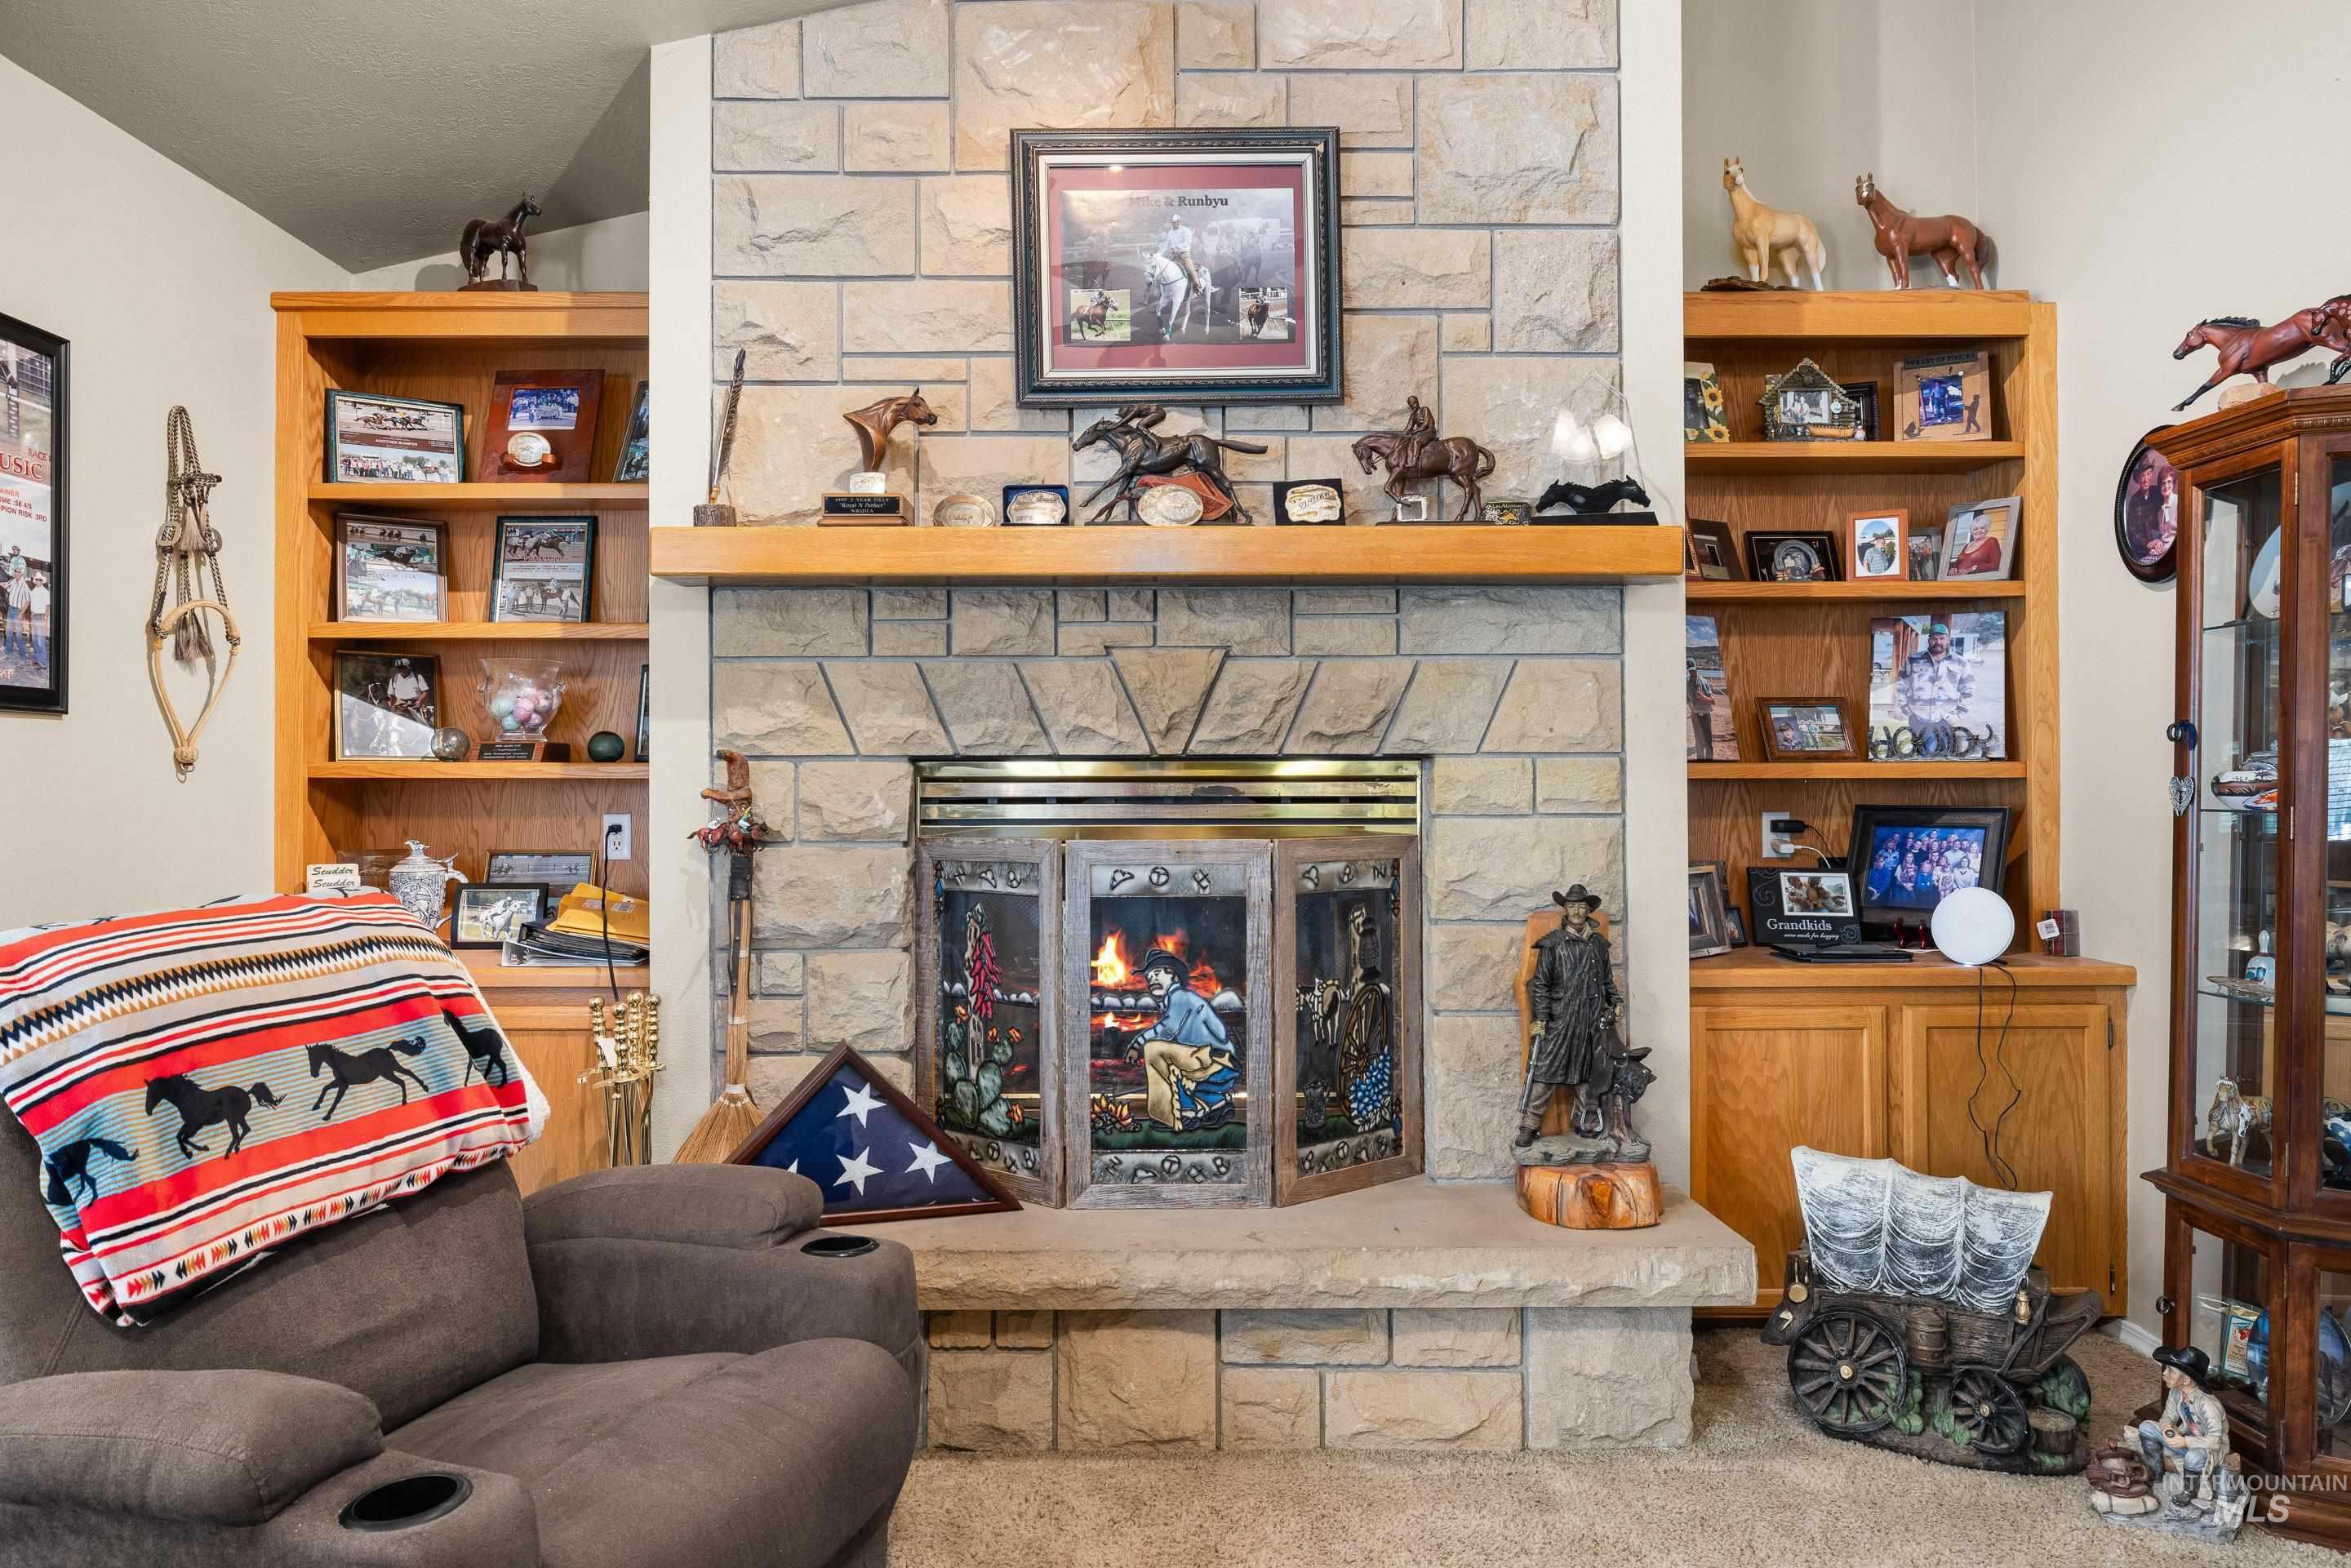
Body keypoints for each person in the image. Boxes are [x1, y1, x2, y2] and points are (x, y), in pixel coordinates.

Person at [1518, 885, 1622, 1147]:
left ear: (1588, 910)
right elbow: (1540, 984)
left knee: (1589, 1071)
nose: (1576, 911)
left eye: (1581, 906)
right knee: (1546, 1070)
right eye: (1572, 906)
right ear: (1566, 909)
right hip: (1560, 1018)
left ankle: (1586, 1119)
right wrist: (1541, 1018)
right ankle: (1530, 1123)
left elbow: (1607, 980)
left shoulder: (1598, 944)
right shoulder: (1553, 943)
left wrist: (1616, 1001)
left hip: (1591, 1018)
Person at [1124, 947, 1238, 1131]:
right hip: (1214, 1060)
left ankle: (1180, 1114)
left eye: (1157, 973)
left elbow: (1168, 1029)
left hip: (1216, 1061)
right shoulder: (1178, 1000)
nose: (1151, 979)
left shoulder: (1181, 997)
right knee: (1170, 1054)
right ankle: (1216, 1106)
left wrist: (1138, 1043)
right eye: (1149, 976)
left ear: (1174, 976)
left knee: (1155, 1050)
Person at [2136, 1344, 2236, 1516]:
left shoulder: (2208, 1405)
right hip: (2184, 1438)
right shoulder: (2176, 1393)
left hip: (2206, 1448)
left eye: (2171, 1371)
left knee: (2193, 1456)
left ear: (2186, 1379)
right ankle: (2155, 1472)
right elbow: (2167, 1417)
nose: (2164, 1373)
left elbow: (2214, 1441)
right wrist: (2168, 1431)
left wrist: (2185, 1442)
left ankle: (2189, 1492)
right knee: (2146, 1427)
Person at [1895, 621, 1977, 735]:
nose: (1938, 642)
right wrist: (1908, 712)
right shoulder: (1912, 661)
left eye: (1942, 638)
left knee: (1944, 752)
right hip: (1918, 720)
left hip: (1947, 721)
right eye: (1934, 638)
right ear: (1929, 640)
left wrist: (1958, 715)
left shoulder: (1961, 663)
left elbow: (1969, 692)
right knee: (1921, 752)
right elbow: (1901, 688)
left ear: (1948, 640)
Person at [1161, 213, 1202, 297]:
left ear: (1179, 222)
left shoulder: (1186, 230)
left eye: (1175, 222)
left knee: (1190, 269)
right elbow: (1167, 244)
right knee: (1164, 268)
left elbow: (1187, 243)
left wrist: (1177, 247)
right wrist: (1161, 252)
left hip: (1184, 254)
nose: (1173, 224)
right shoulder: (1170, 232)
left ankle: (1198, 288)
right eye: (1172, 222)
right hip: (1173, 255)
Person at [1686, 657, 1719, 758]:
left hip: (1705, 716)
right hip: (1695, 716)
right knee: (1699, 742)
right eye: (1689, 671)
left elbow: (1713, 701)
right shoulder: (1686, 683)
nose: (1692, 674)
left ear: (1697, 670)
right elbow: (1688, 699)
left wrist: (1703, 697)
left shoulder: (1704, 682)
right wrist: (1692, 711)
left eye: (1693, 670)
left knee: (1708, 742)